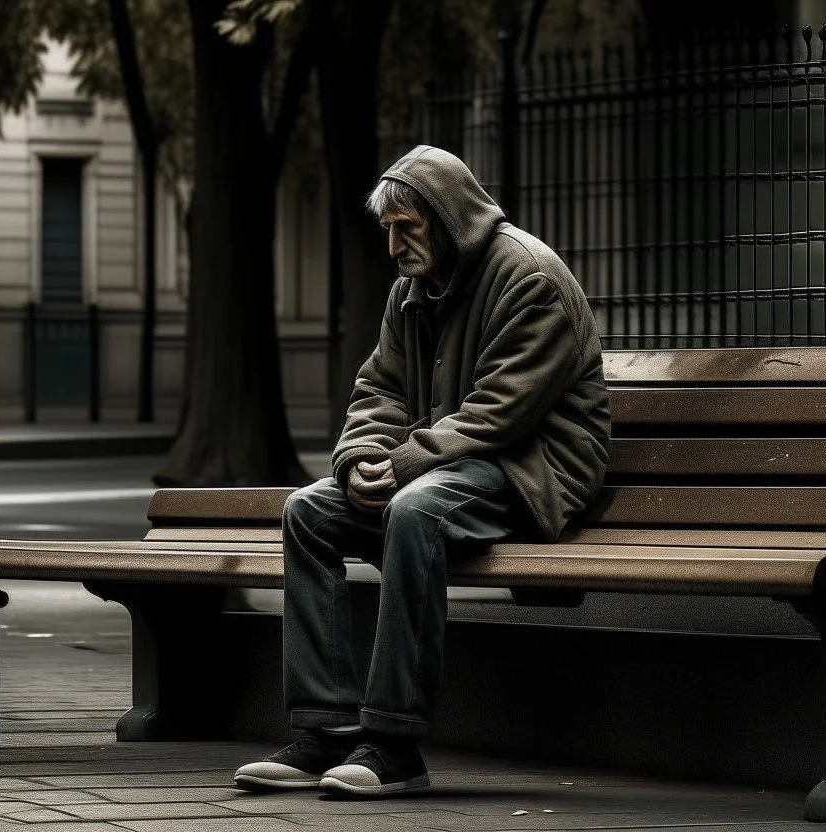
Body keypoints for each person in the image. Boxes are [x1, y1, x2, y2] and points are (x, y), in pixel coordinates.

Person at [234, 145, 611, 797]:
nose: (393, 245)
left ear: (446, 218)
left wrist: (402, 464)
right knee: (309, 511)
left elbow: (501, 412)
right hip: (451, 464)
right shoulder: (413, 287)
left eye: (405, 228)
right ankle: (324, 732)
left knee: (418, 510)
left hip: (536, 470)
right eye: (387, 229)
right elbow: (379, 387)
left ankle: (395, 746)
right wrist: (361, 459)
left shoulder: (530, 277)